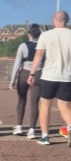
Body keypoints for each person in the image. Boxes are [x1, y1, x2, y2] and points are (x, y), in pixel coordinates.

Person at [27, 10, 71, 146]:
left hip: (49, 76)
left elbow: (38, 56)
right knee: (64, 106)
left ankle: (45, 136)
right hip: (67, 76)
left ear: (54, 20)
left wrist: (32, 73)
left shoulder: (46, 35)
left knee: (45, 105)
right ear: (67, 20)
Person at [9, 25, 42, 138]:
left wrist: (12, 80)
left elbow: (17, 63)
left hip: (24, 73)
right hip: (38, 74)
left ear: (29, 34)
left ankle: (19, 126)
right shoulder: (43, 46)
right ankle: (32, 130)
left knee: (22, 99)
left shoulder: (23, 45)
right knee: (34, 103)